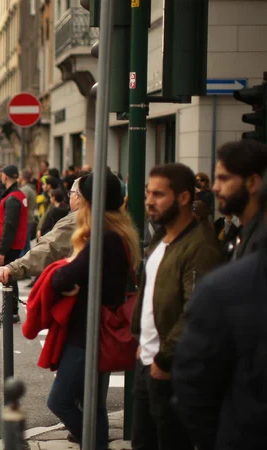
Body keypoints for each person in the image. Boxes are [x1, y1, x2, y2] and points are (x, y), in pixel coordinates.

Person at [130, 163, 223, 450]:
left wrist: (165, 358)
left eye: (158, 195)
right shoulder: (161, 237)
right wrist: (141, 340)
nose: (148, 201)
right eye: (148, 193)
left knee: (170, 441)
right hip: (147, 361)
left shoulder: (200, 246)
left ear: (184, 198)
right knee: (142, 443)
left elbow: (195, 311)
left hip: (171, 369)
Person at [47, 168, 139, 450]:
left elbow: (60, 278)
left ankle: (96, 444)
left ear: (90, 203)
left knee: (60, 400)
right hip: (97, 329)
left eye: (81, 199)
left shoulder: (104, 238)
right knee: (93, 404)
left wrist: (69, 280)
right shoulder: (119, 233)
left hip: (89, 333)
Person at [172, 175, 267, 449]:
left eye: (224, 178)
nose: (215, 186)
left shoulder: (222, 286)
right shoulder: (225, 286)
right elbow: (194, 381)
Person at [0, 178, 82, 285]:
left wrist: (12, 266)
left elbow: (50, 247)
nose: (70, 197)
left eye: (71, 193)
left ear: (77, 196)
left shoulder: (77, 219)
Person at [212, 140, 267, 259]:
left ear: (252, 182)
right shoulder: (241, 231)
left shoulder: (261, 241)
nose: (215, 187)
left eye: (224, 179)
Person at [0, 164, 28, 322]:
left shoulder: (12, 198)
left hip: (11, 245)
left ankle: (11, 312)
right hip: (17, 243)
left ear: (5, 177)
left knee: (8, 278)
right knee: (10, 278)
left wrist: (2, 251)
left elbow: (9, 226)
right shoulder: (18, 195)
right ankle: (10, 310)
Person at [20, 169, 39, 256]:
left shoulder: (25, 190)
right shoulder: (30, 188)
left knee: (23, 245)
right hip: (29, 217)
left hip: (26, 219)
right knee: (26, 244)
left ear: (22, 177)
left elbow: (22, 203)